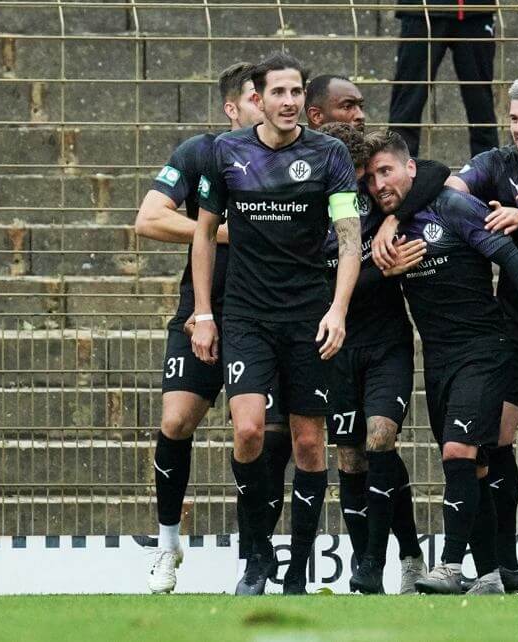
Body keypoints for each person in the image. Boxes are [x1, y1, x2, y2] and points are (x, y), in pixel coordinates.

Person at [363, 129, 518, 595]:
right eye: (372, 176)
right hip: (437, 358)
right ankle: (494, 574)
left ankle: (450, 566)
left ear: (410, 169)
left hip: (483, 349)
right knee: (469, 466)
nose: (380, 183)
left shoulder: (452, 207)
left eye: (388, 171)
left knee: (460, 452)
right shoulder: (379, 223)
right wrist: (386, 241)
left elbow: (512, 259)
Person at [190, 52, 361, 595]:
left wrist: (337, 310)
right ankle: (256, 554)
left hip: (308, 315)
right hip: (246, 314)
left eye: (296, 92)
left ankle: (296, 572)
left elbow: (351, 237)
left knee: (311, 446)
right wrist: (202, 312)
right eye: (279, 92)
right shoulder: (227, 151)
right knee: (247, 431)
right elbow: (203, 234)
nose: (289, 102)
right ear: (257, 99)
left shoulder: (328, 153)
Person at [136, 62, 286, 595]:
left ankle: (258, 557)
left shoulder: (291, 157)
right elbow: (149, 218)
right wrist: (220, 232)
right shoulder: (202, 153)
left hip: (269, 315)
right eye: (255, 98)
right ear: (234, 108)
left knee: (263, 436)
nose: (267, 106)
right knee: (176, 422)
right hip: (202, 311)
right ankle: (167, 544)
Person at [317, 122, 449, 594]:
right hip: (333, 348)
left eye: (362, 174)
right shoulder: (311, 206)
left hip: (386, 343)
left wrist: (395, 219)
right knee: (350, 458)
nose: (361, 183)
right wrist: (379, 270)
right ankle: (397, 554)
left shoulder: (376, 200)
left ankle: (376, 560)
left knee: (381, 439)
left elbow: (434, 171)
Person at [388, 0, 498, 157]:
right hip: (422, 10)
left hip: (476, 11)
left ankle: (489, 170)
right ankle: (397, 168)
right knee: (408, 101)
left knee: (481, 104)